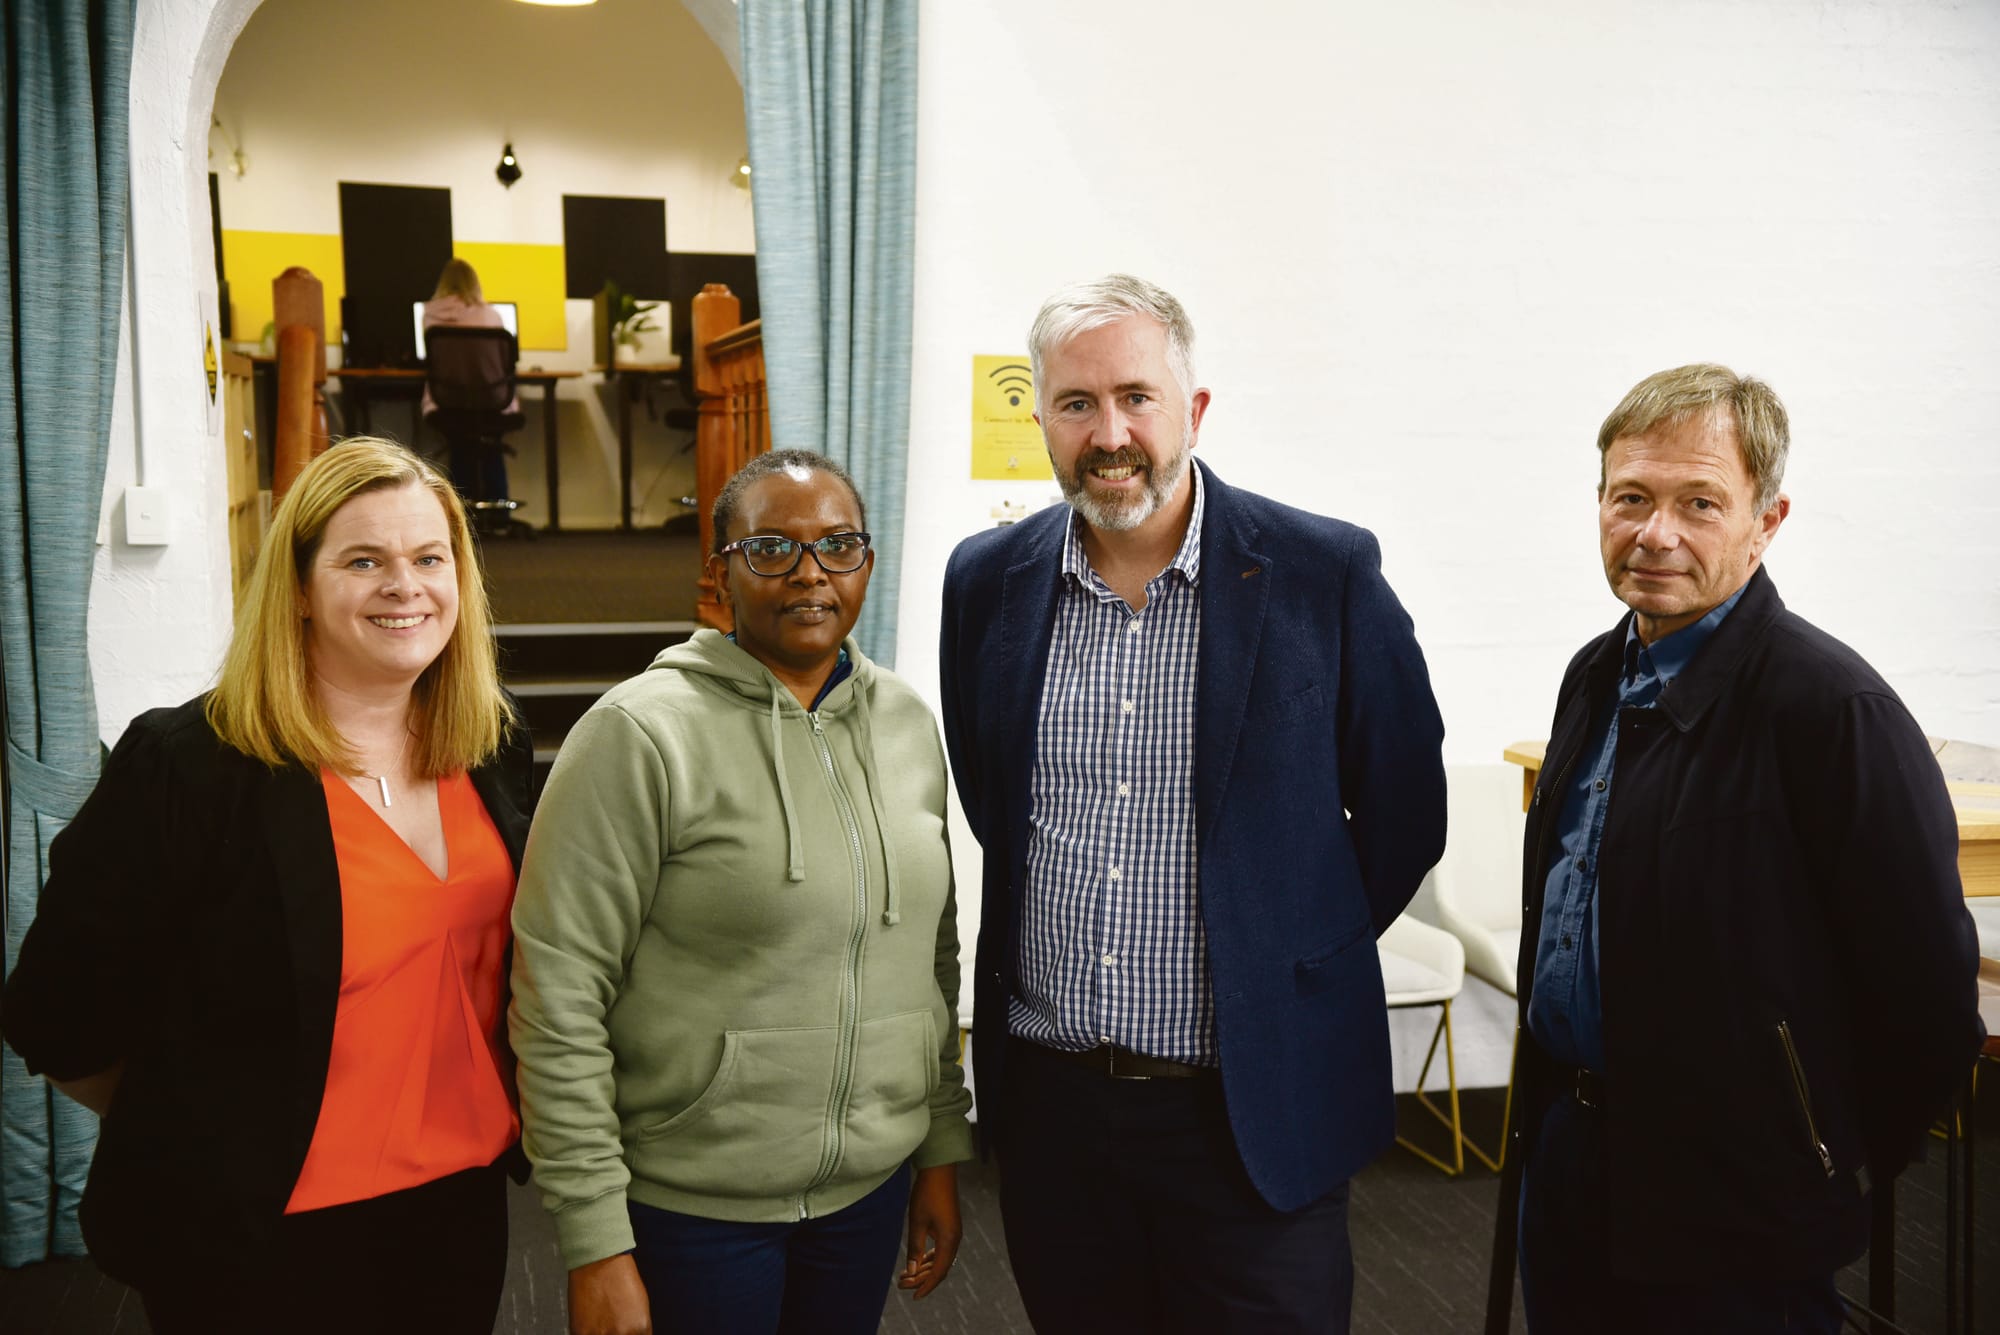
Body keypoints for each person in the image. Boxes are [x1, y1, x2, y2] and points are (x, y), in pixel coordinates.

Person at [938, 274, 1448, 1333]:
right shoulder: (983, 581)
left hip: (1248, 1107)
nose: (1108, 431)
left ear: (1193, 410)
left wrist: (1291, 954)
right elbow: (997, 804)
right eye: (1075, 404)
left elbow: (1402, 807)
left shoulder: (1320, 570)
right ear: (1039, 419)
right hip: (1056, 1112)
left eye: (1135, 396)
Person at [1487, 364, 1984, 1334]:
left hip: (1736, 1203)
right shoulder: (1594, 672)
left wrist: (1816, 1156)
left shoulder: (1830, 710)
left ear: (1767, 519)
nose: (1653, 533)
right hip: (1577, 1156)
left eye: (1698, 503)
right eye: (1629, 497)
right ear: (1597, 503)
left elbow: (1925, 999)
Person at [1, 438, 532, 1334]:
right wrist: (201, 1121)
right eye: (364, 559)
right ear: (296, 588)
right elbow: (56, 1011)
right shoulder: (192, 767)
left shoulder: (491, 747)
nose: (406, 585)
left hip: (457, 1208)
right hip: (257, 1233)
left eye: (429, 557)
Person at [509, 448, 973, 1335]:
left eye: (839, 545)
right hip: (692, 1211)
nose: (809, 573)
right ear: (718, 575)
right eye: (770, 549)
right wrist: (593, 1238)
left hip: (865, 1196)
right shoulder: (638, 734)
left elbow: (933, 958)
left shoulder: (909, 723)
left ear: (867, 563)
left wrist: (941, 1147)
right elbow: (556, 997)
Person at [422, 256, 520, 497]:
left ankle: (459, 518)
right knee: (490, 444)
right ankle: (500, 516)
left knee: (460, 444)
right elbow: (506, 364)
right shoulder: (493, 317)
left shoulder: (429, 317)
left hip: (448, 406)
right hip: (493, 403)